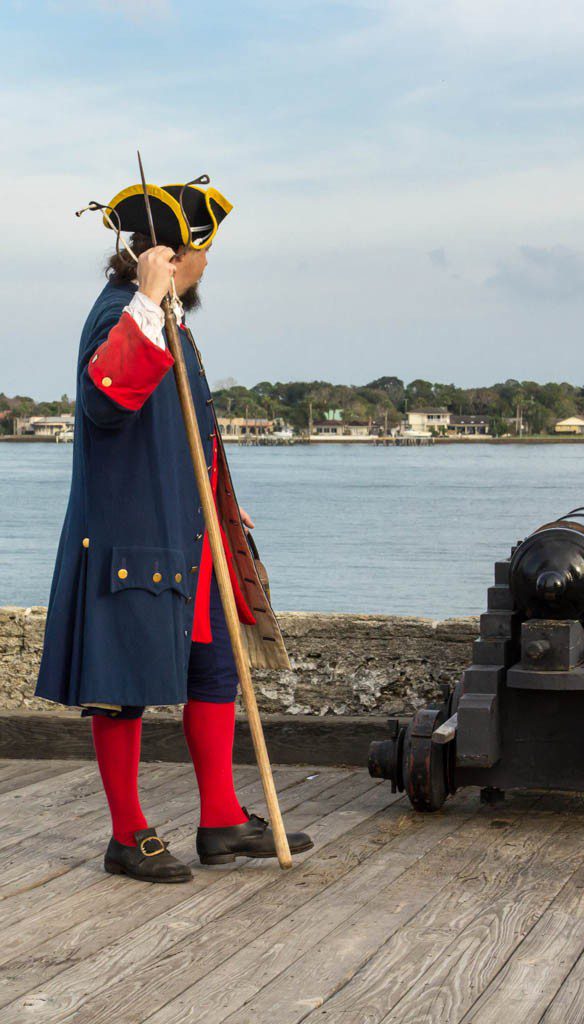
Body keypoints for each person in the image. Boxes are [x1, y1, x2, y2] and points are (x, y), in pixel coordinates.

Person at [35, 179, 312, 882]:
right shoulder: (121, 316)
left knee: (214, 669)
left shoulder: (171, 321)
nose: (208, 265)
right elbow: (107, 404)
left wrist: (222, 501)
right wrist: (145, 302)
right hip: (132, 532)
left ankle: (220, 822)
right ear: (172, 254)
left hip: (189, 531)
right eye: (202, 253)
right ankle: (127, 836)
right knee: (120, 682)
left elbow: (191, 434)